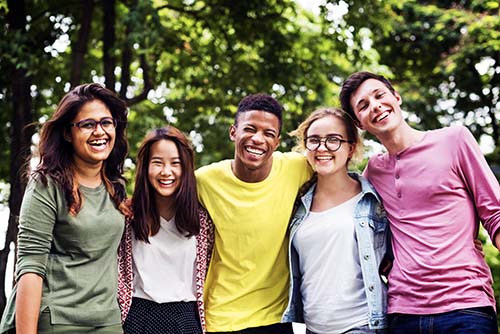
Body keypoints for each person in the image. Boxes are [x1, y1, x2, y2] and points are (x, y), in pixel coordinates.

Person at [340, 71, 500, 334]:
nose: (375, 106)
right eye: (364, 106)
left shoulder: (454, 140)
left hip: (466, 307)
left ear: (396, 97)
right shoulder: (373, 173)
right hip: (403, 314)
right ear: (360, 123)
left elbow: (495, 214)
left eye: (379, 95)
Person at [0, 83, 129, 334]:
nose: (99, 131)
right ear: (68, 133)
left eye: (106, 122)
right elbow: (30, 267)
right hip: (58, 320)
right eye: (87, 124)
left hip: (108, 320)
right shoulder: (47, 184)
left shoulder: (116, 187)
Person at [195, 93, 312, 334]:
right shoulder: (204, 180)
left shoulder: (296, 167)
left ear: (277, 142)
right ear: (233, 132)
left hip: (275, 319)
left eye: (268, 133)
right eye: (250, 129)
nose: (258, 139)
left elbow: (338, 172)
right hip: (221, 318)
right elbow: (159, 199)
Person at [282, 107, 388, 334]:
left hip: (362, 325)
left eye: (333, 140)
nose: (322, 148)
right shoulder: (297, 204)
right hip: (311, 328)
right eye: (314, 140)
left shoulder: (371, 200)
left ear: (350, 148)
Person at [117, 126, 214, 334]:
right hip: (137, 318)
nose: (166, 172)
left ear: (186, 168)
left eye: (175, 164)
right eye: (157, 163)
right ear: (145, 167)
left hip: (186, 320)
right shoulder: (127, 216)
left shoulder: (203, 220)